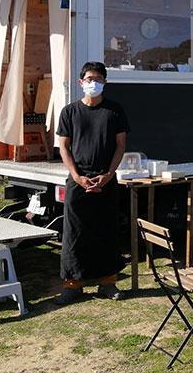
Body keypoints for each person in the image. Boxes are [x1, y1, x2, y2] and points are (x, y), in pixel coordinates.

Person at [55, 61, 130, 305]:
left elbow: (120, 145)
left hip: (106, 180)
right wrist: (77, 176)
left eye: (98, 79)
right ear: (81, 82)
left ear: (105, 82)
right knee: (74, 233)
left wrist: (108, 174)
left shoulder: (115, 111)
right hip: (78, 180)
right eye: (89, 79)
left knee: (106, 231)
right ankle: (72, 286)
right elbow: (63, 147)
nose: (93, 83)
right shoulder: (69, 112)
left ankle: (107, 283)